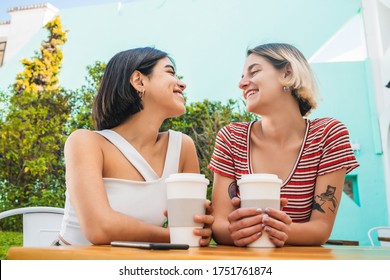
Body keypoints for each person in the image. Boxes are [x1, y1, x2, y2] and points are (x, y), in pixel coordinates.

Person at [56, 47, 213, 246]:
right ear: (139, 81)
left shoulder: (182, 147)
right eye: (170, 72)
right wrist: (177, 237)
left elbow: (189, 231)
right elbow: (99, 228)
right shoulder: (86, 142)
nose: (181, 83)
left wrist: (201, 229)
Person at [208, 43, 359, 247]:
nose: (242, 84)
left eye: (254, 71)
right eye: (242, 76)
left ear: (287, 73)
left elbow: (320, 229)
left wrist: (273, 229)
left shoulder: (328, 135)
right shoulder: (231, 138)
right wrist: (233, 230)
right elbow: (219, 225)